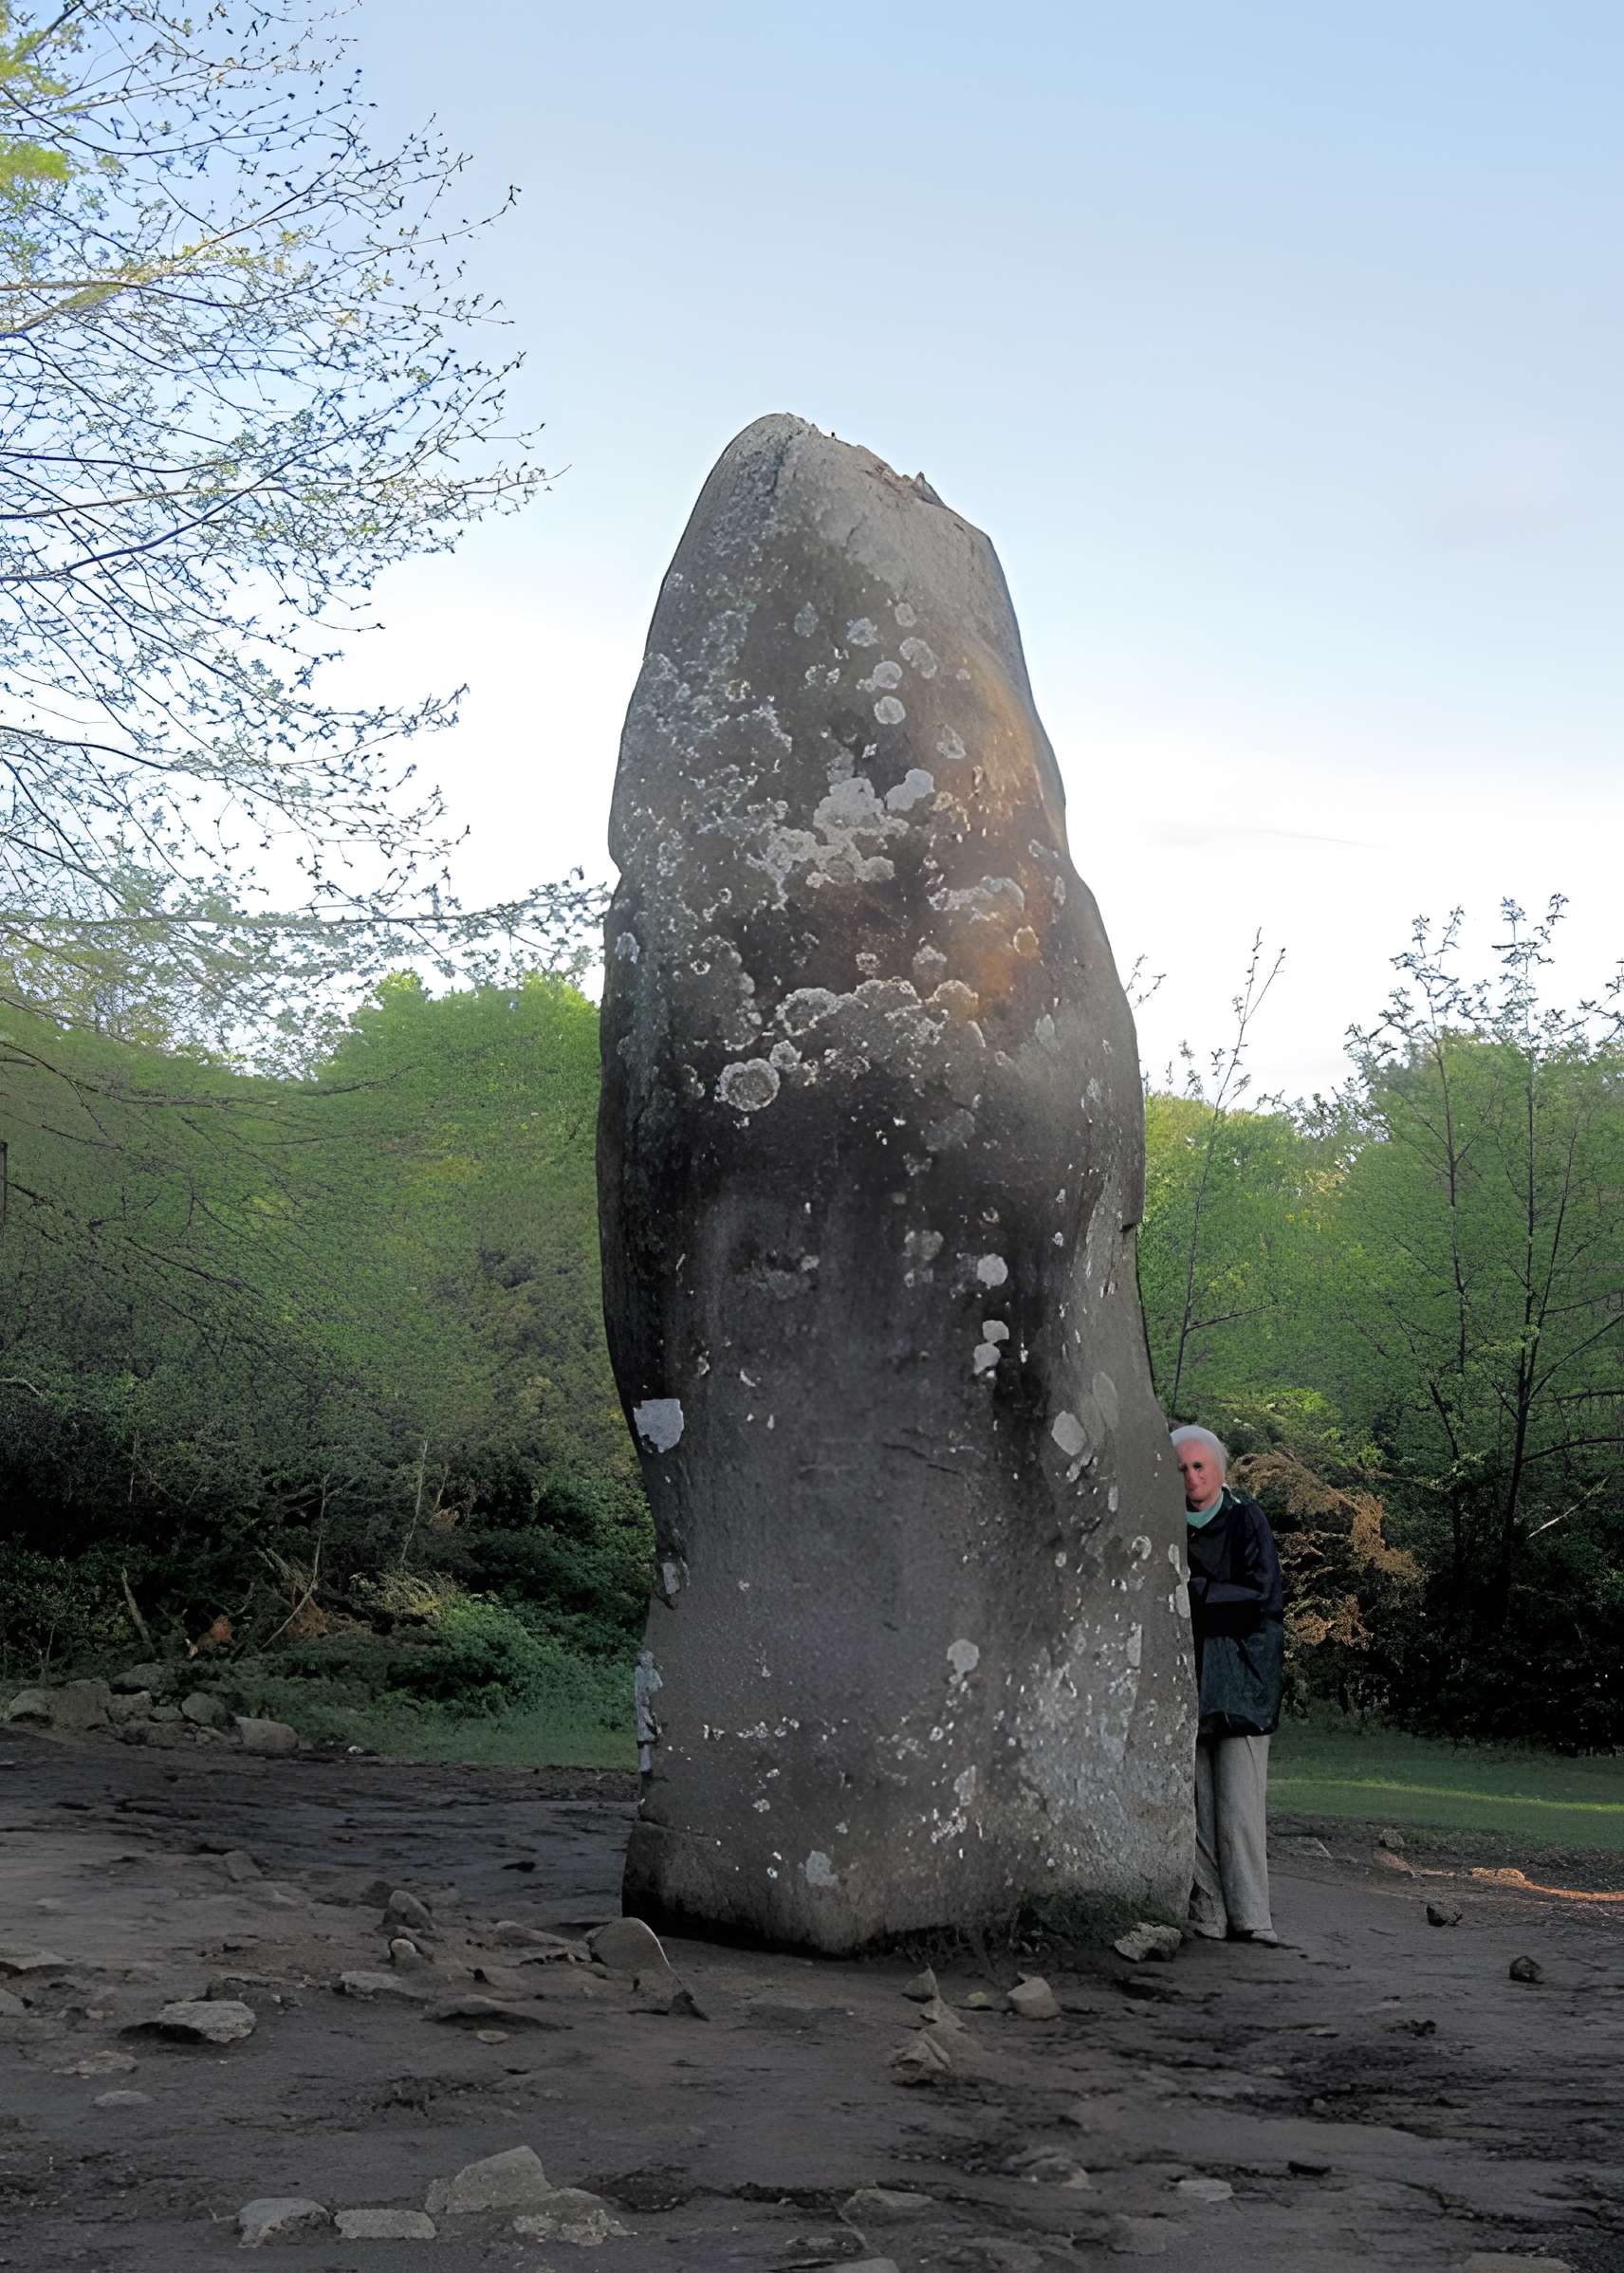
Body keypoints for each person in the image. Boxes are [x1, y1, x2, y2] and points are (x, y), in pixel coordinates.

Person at [1171, 1424, 1284, 1946]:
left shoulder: (1246, 1518)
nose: (1192, 1477)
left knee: (1239, 1804)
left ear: (1219, 1468)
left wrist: (1196, 1593)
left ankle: (1253, 1917)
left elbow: (1261, 1598)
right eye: (1182, 1468)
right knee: (1196, 1802)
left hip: (1242, 1679)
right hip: (1189, 1676)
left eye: (1200, 1466)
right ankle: (1209, 1914)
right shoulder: (1169, 1522)